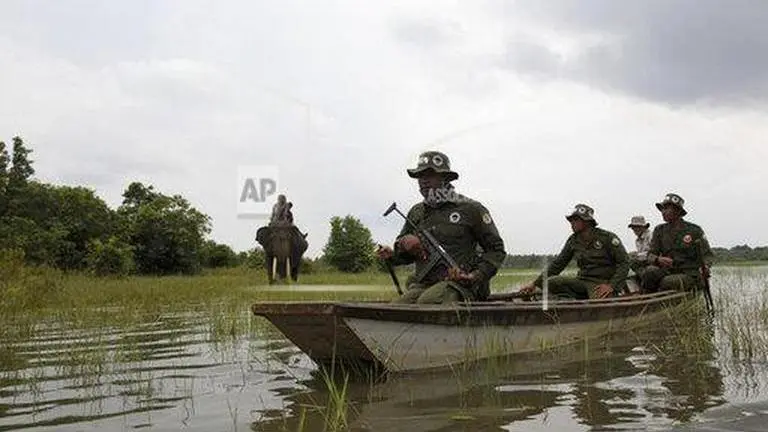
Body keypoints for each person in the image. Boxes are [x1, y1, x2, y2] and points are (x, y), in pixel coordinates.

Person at [376, 150, 507, 304]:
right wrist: (399, 249)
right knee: (397, 308)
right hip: (426, 284)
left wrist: (475, 275)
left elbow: (496, 250)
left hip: (462, 286)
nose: (423, 181)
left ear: (445, 178)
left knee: (428, 302)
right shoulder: (416, 212)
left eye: (430, 175)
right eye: (420, 176)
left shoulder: (471, 209)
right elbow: (403, 256)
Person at [519, 204, 630, 300]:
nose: (572, 223)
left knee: (600, 301)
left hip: (601, 283)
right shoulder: (573, 240)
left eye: (576, 220)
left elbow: (624, 262)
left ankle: (596, 298)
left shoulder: (607, 238)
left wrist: (611, 285)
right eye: (571, 220)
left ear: (587, 222)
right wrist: (535, 284)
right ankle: (574, 299)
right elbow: (558, 264)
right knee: (552, 282)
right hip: (582, 281)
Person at [640, 193, 713, 293]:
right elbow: (650, 255)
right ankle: (648, 297)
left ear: (678, 211)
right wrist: (658, 259)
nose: (663, 212)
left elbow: (708, 255)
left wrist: (706, 267)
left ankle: (662, 293)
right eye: (662, 209)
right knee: (649, 272)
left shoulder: (694, 230)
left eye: (666, 209)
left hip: (689, 273)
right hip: (668, 271)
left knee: (668, 282)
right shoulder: (659, 230)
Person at [626, 215, 653, 293]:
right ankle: (636, 291)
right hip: (642, 263)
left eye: (637, 227)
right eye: (633, 228)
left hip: (652, 262)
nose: (635, 230)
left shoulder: (650, 235)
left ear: (643, 227)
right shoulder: (637, 241)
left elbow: (653, 252)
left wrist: (636, 255)